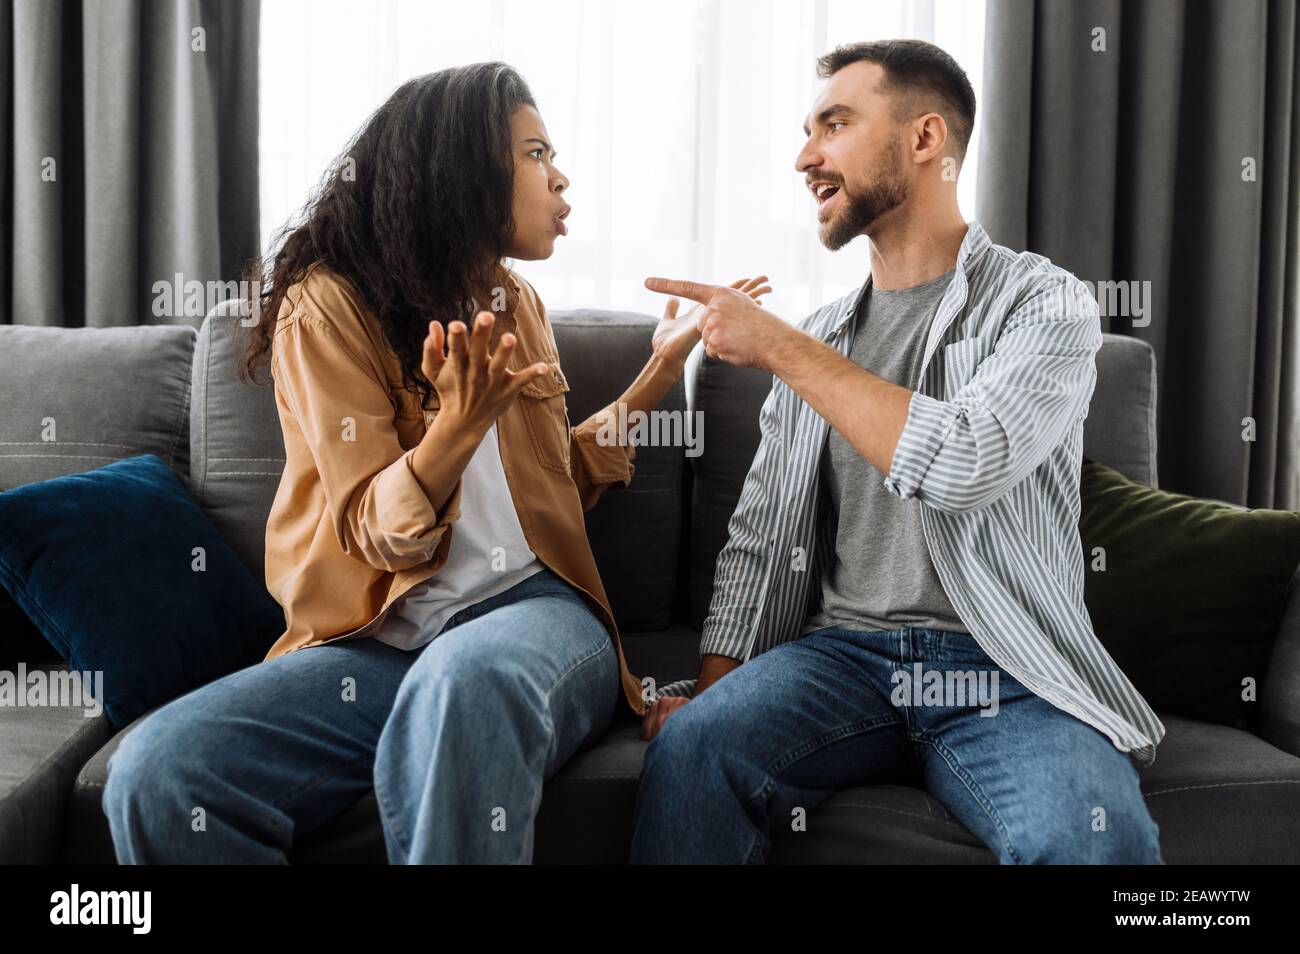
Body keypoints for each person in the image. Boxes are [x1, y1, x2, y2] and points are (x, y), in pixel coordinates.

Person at [101, 61, 767, 864]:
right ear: (462, 166)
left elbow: (561, 478)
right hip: (375, 642)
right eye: (535, 153)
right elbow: (369, 530)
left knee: (462, 683)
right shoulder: (327, 304)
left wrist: (660, 371)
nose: (560, 178)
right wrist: (455, 430)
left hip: (536, 618)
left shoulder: (515, 302)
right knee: (159, 773)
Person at [630, 39, 1165, 865]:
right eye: (808, 132)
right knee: (693, 752)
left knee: (1096, 838)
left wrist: (779, 348)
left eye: (834, 125)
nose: (806, 157)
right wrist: (706, 698)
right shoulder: (826, 335)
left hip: (1005, 668)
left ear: (923, 140)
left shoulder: (1044, 303)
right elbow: (764, 541)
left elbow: (965, 459)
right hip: (841, 660)